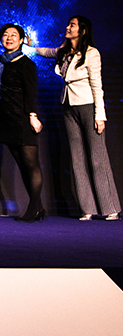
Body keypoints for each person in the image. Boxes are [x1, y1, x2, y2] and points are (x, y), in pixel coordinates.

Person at [33, 15, 120, 221]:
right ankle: (87, 208)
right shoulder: (64, 52)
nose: (67, 27)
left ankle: (110, 208)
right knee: (77, 159)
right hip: (68, 107)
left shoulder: (91, 53)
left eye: (72, 25)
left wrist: (100, 115)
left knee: (97, 159)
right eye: (68, 24)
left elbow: (97, 85)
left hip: (88, 106)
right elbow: (47, 52)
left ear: (82, 30)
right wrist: (28, 46)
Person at [0, 24, 45, 222]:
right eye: (5, 35)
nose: (9, 38)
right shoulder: (1, 61)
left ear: (21, 40)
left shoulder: (26, 64)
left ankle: (33, 208)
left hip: (23, 118)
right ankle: (38, 207)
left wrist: (32, 115)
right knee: (22, 165)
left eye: (14, 35)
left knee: (31, 164)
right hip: (6, 119)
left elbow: (30, 92)